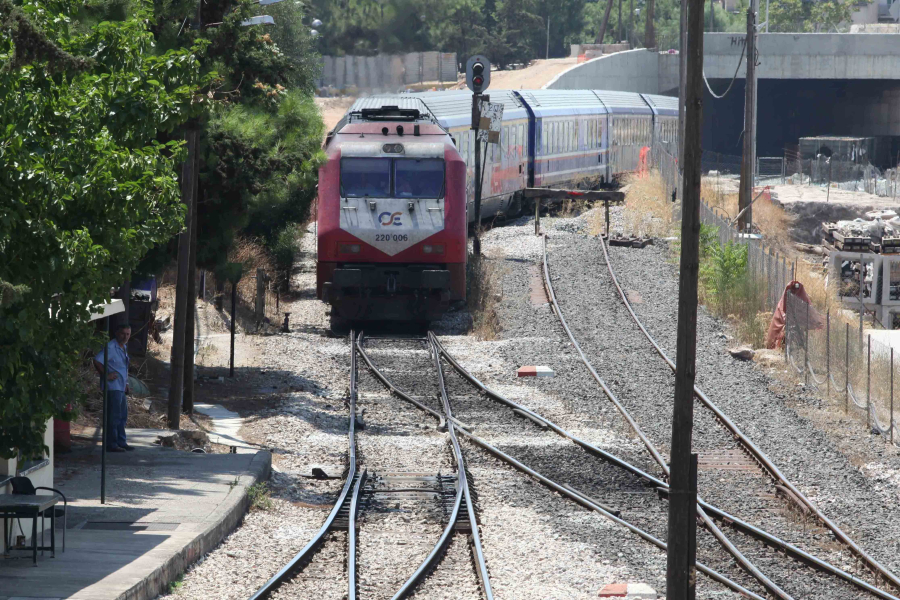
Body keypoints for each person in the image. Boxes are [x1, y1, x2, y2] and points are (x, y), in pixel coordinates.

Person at [93, 324, 133, 452]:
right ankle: (111, 444)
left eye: (128, 334)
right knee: (114, 416)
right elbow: (97, 361)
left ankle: (121, 441)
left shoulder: (123, 348)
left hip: (121, 387)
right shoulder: (111, 347)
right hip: (112, 387)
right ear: (117, 333)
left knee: (122, 416)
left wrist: (126, 384)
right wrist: (106, 374)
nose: (125, 337)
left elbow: (123, 368)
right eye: (123, 334)